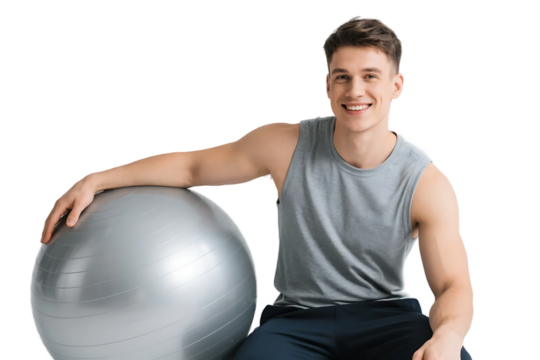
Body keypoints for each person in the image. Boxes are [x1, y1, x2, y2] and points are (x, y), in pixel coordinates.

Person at [39, 14, 474, 360]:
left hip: (388, 319)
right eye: (342, 76)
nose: (354, 90)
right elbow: (193, 167)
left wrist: (449, 336)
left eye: (370, 76)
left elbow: (452, 285)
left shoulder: (426, 182)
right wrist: (96, 178)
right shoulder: (285, 145)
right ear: (327, 85)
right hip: (297, 321)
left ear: (396, 85)